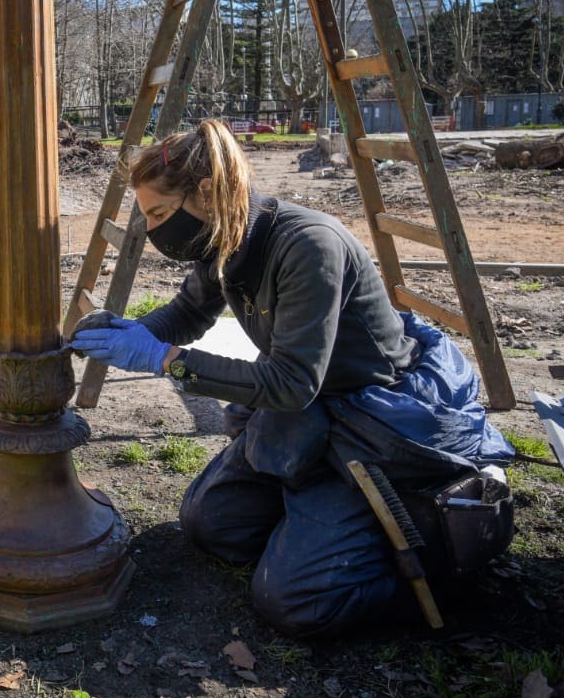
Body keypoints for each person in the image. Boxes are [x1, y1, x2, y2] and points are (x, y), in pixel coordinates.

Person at [70, 119, 515, 638]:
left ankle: (430, 549)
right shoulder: (228, 238)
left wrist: (166, 360)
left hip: (377, 426)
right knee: (211, 524)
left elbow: (289, 383)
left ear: (208, 192)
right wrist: (130, 333)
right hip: (312, 414)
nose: (153, 231)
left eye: (160, 214)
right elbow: (189, 312)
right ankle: (321, 524)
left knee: (294, 601)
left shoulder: (307, 244)